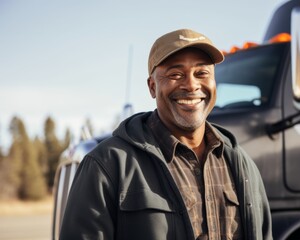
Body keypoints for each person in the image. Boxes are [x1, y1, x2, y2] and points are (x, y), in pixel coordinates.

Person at [59, 28, 272, 240]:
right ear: (152, 87)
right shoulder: (107, 165)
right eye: (175, 74)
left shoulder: (241, 164)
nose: (191, 84)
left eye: (202, 73)